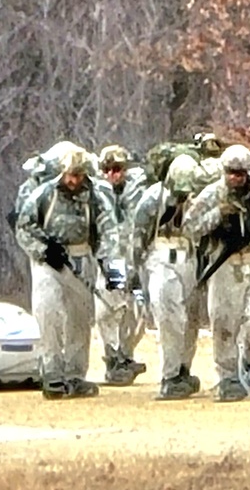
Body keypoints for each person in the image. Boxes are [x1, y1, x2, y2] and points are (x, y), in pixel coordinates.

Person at [15, 146, 121, 399]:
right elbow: (23, 226)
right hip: (48, 262)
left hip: (81, 258)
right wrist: (42, 249)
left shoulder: (95, 196)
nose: (73, 181)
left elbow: (110, 231)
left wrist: (111, 269)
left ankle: (75, 375)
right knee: (48, 313)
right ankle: (52, 373)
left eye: (78, 175)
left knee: (80, 319)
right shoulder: (44, 194)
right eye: (69, 175)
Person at [184, 145, 250, 401]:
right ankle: (227, 377)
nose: (235, 177)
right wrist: (217, 216)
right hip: (224, 263)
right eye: (230, 172)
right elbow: (190, 227)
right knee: (224, 321)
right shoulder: (211, 194)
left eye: (240, 173)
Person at [132, 153, 203, 400]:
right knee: (170, 317)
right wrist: (133, 272)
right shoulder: (153, 198)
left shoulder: (198, 199)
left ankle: (184, 368)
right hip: (161, 257)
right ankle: (170, 375)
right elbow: (137, 235)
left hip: (190, 257)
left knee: (191, 319)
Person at [95, 145, 148, 385]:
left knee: (138, 309)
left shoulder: (140, 190)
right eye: (106, 169)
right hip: (111, 261)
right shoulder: (96, 193)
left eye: (116, 169)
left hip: (137, 260)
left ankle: (127, 355)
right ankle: (113, 357)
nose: (111, 175)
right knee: (110, 308)